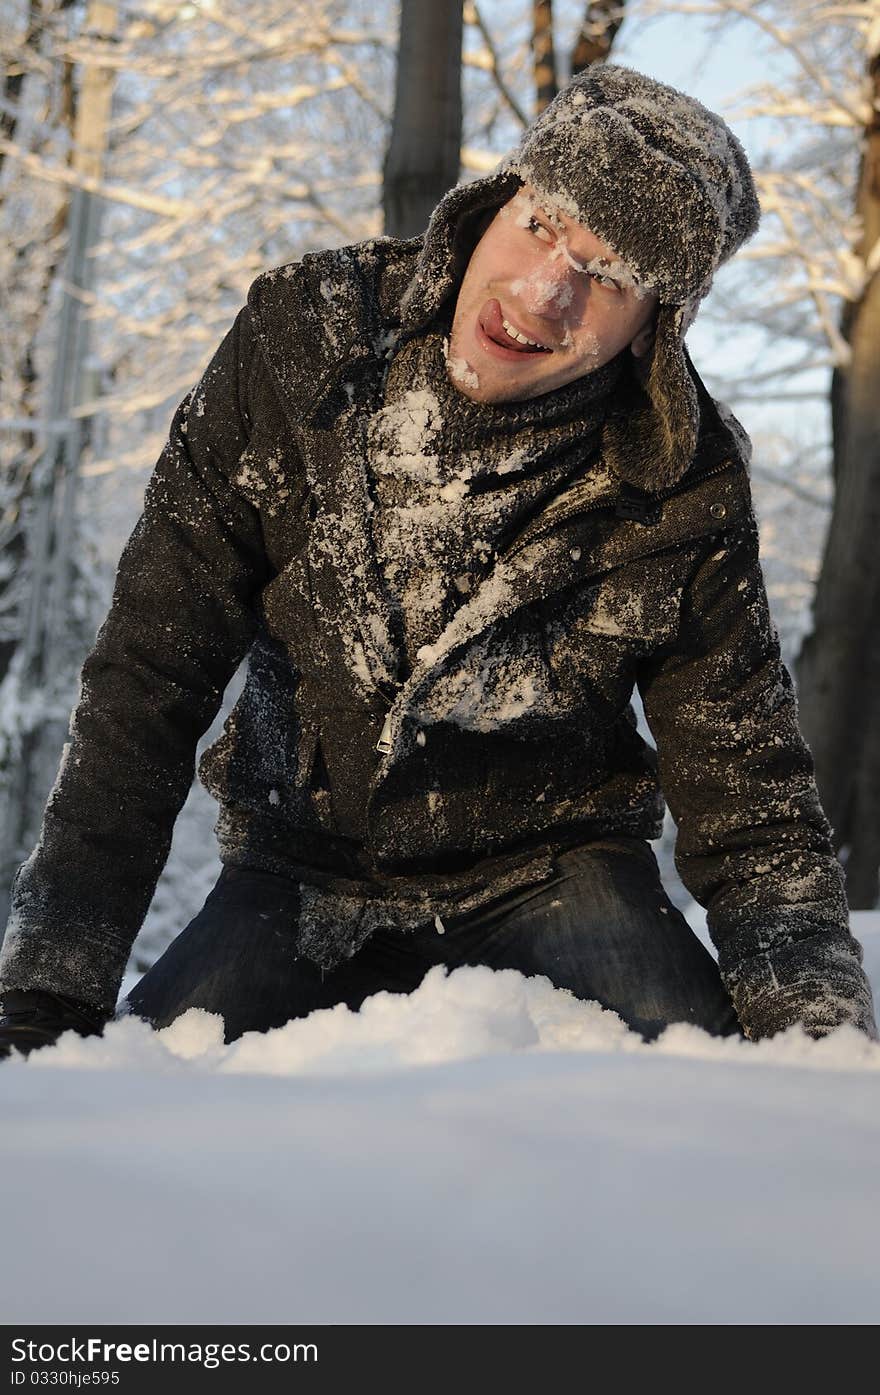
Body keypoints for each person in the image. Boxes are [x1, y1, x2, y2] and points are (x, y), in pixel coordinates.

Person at [1, 65, 875, 1060]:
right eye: (542, 224)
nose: (543, 294)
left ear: (655, 327)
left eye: (611, 276)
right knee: (128, 1109)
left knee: (719, 1119)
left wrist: (818, 1041)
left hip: (558, 870)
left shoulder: (681, 477)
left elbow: (750, 799)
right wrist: (44, 995)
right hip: (298, 873)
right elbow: (142, 687)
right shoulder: (301, 339)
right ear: (495, 199)